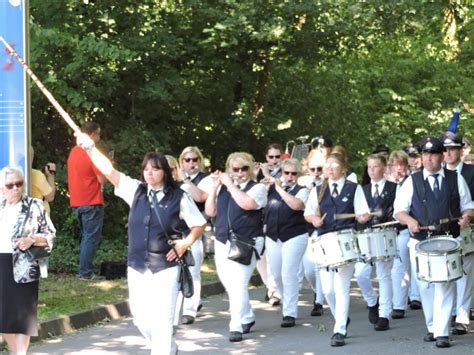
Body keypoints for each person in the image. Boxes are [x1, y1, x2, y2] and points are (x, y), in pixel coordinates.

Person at [75, 132, 206, 355]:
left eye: (155, 169)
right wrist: (90, 149)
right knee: (141, 320)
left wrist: (185, 243)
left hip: (166, 267)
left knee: (163, 322)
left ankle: (164, 347)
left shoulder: (179, 197)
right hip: (136, 266)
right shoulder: (135, 191)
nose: (150, 173)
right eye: (146, 169)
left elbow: (198, 224)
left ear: (165, 171)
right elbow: (109, 171)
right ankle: (169, 348)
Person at [394, 136, 472, 348]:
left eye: (434, 154)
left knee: (445, 284)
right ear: (421, 157)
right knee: (425, 287)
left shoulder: (455, 178)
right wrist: (410, 221)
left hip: (449, 239)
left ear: (442, 156)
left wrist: (466, 215)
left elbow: (468, 205)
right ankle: (432, 327)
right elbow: (399, 210)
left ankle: (442, 332)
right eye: (425, 154)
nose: (429, 159)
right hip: (420, 241)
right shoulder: (412, 180)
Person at [304, 152, 371, 347]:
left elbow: (361, 213)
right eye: (328, 165)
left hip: (346, 240)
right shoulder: (318, 190)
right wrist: (314, 219)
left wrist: (363, 218)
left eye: (334, 165)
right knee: (327, 290)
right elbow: (309, 213)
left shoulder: (353, 188)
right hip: (324, 241)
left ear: (343, 168)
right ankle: (340, 318)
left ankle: (339, 329)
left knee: (341, 287)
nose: (331, 168)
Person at [205, 152, 267, 342]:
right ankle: (247, 316)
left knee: (239, 283)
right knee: (230, 284)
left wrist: (231, 185)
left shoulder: (258, 188)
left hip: (247, 241)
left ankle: (236, 325)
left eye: (244, 168)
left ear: (250, 169)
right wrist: (215, 188)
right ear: (229, 170)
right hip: (224, 240)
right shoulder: (223, 189)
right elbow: (210, 211)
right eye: (235, 169)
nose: (240, 173)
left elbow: (247, 204)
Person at [0, 167, 55, 354]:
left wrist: (32, 239)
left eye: (19, 184)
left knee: (24, 320)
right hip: (2, 263)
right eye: (10, 185)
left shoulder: (34, 205)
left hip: (24, 265)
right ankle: (16, 351)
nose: (15, 188)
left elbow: (50, 234)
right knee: (3, 317)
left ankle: (20, 353)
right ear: (2, 189)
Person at [264, 158, 310, 327]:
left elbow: (296, 205)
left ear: (299, 175)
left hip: (294, 235)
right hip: (273, 235)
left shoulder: (303, 190)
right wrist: (265, 178)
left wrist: (279, 188)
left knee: (288, 273)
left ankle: (289, 312)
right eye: (286, 173)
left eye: (293, 173)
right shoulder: (270, 189)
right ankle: (286, 302)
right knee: (276, 274)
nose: (289, 176)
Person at [354, 154, 396, 331]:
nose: (371, 170)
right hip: (365, 236)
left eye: (375, 166)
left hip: (385, 235)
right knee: (361, 274)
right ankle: (372, 302)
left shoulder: (394, 188)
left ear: (384, 168)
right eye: (369, 167)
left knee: (384, 275)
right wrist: (360, 218)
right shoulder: (361, 190)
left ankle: (384, 314)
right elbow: (356, 214)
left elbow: (399, 210)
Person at [440, 131, 474, 335]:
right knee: (446, 273)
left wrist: (468, 216)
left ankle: (462, 316)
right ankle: (450, 312)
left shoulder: (471, 173)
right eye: (446, 150)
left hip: (469, 228)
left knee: (466, 273)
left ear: (461, 150)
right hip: (445, 231)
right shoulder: (438, 174)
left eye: (453, 149)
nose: (449, 153)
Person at [67, 121, 106, 280]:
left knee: (86, 237)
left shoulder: (74, 152)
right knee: (90, 238)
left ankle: (85, 270)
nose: (99, 137)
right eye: (98, 133)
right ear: (92, 135)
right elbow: (102, 179)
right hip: (91, 200)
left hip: (77, 201)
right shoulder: (91, 153)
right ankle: (85, 273)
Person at [177, 147, 210, 325]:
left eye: (194, 159)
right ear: (181, 162)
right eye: (187, 160)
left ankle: (189, 310)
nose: (191, 163)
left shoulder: (205, 179)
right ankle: (193, 300)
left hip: (195, 230)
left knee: (193, 269)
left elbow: (200, 197)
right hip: (175, 231)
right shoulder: (173, 179)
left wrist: (185, 180)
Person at [387, 150, 421, 318]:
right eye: (396, 165)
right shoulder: (388, 184)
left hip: (409, 228)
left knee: (413, 264)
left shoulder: (412, 181)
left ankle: (415, 297)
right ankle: (398, 304)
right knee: (399, 267)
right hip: (393, 230)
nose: (399, 168)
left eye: (402, 165)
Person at [298, 152, 326, 316]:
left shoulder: (328, 184)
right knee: (309, 268)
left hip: (322, 229)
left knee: (318, 266)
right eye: (312, 169)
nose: (316, 172)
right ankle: (318, 291)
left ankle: (319, 301)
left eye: (319, 169)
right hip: (306, 229)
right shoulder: (302, 184)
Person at [30, 147, 56, 216]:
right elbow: (50, 197)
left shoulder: (11, 175)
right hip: (39, 216)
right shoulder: (36, 175)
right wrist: (51, 175)